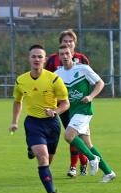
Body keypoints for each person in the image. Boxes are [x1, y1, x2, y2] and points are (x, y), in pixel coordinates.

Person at [9, 44, 70, 193]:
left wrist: (55, 111)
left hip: (52, 124)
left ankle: (32, 148)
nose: (36, 59)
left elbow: (66, 103)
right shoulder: (21, 80)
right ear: (29, 59)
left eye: (40, 57)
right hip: (33, 122)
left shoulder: (54, 79)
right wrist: (14, 121)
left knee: (47, 162)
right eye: (33, 56)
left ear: (45, 59)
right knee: (42, 157)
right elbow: (17, 101)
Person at [55, 45, 116, 183]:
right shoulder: (57, 74)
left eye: (67, 53)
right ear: (58, 57)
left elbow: (100, 83)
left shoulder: (83, 68)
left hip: (84, 111)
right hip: (73, 112)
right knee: (88, 145)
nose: (64, 56)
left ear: (72, 54)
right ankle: (109, 172)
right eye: (61, 54)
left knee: (68, 135)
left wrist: (91, 96)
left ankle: (92, 159)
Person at [45, 29, 90, 177]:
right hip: (63, 105)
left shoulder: (82, 59)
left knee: (75, 135)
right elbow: (47, 80)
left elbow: (89, 80)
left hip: (80, 105)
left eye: (70, 41)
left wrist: (88, 97)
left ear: (74, 43)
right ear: (60, 44)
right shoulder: (52, 60)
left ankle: (73, 167)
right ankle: (83, 162)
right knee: (72, 136)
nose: (68, 43)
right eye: (65, 41)